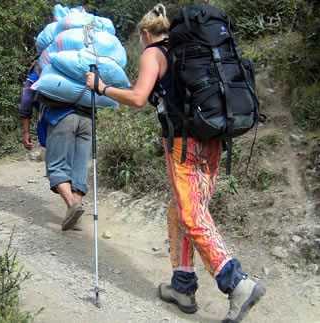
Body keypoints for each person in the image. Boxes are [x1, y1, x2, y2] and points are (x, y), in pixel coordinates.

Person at [85, 4, 265, 322]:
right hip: (213, 138)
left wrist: (102, 88)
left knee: (191, 215)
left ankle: (237, 283)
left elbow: (139, 98)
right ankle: (182, 285)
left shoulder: (153, 54)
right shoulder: (189, 51)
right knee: (179, 210)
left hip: (184, 145)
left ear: (145, 33)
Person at [20, 56, 92, 231]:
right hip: (87, 120)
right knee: (79, 168)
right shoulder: (83, 69)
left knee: (56, 166)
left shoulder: (43, 72)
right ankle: (75, 216)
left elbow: (26, 100)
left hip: (62, 118)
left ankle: (72, 204)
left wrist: (26, 131)